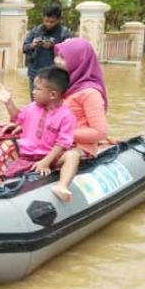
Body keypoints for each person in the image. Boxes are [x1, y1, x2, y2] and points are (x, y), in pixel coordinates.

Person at [0, 67, 77, 189]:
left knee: (73, 155)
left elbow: (62, 143)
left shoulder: (66, 116)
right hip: (27, 156)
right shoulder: (32, 107)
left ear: (52, 94)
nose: (33, 92)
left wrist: (46, 162)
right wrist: (8, 102)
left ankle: (62, 186)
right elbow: (17, 117)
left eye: (37, 89)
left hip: (50, 157)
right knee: (5, 146)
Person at [51, 38, 109, 201]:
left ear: (79, 61)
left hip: (78, 147)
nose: (56, 61)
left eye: (62, 58)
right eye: (57, 56)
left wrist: (64, 134)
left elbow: (100, 131)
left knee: (72, 155)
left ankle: (62, 186)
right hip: (55, 143)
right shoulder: (63, 86)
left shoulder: (89, 93)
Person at [23, 5, 72, 98]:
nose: (48, 24)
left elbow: (70, 52)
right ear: (43, 18)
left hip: (55, 74)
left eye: (52, 22)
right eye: (46, 21)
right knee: (35, 101)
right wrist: (32, 45)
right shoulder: (35, 31)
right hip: (35, 72)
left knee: (54, 102)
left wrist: (54, 46)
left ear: (58, 20)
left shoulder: (64, 33)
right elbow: (24, 48)